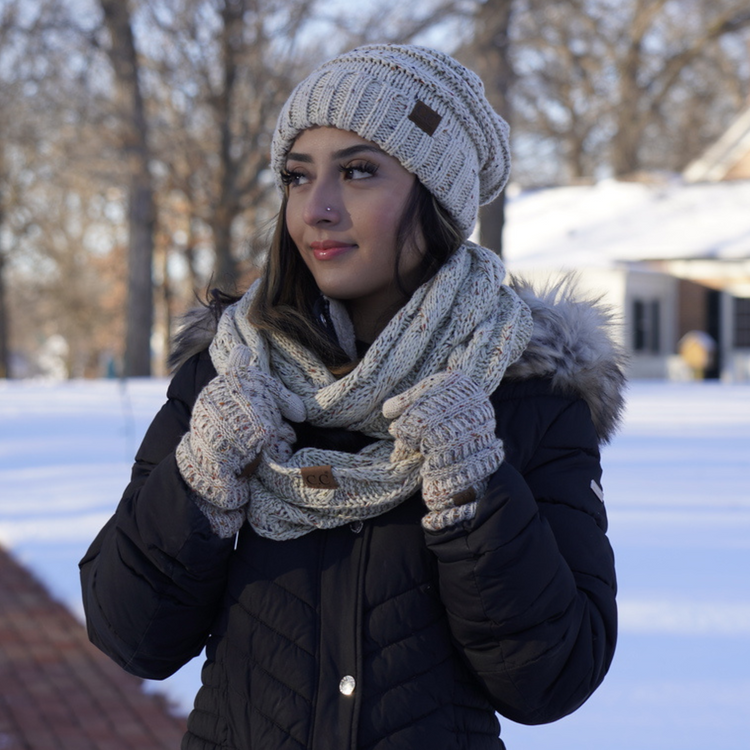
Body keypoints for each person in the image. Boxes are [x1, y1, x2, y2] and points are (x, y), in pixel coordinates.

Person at [80, 44, 625, 750]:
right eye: (298, 177)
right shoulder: (227, 378)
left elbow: (554, 676)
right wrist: (201, 481)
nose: (319, 208)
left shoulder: (525, 395)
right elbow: (129, 634)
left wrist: (474, 494)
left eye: (360, 171)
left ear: (437, 197)